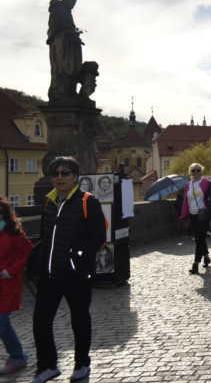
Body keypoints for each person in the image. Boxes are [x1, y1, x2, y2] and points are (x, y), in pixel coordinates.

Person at [32, 156, 106, 383]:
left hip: (76, 273)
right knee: (40, 321)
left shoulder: (87, 201)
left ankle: (82, 364)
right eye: (55, 173)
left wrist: (77, 257)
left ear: (75, 177)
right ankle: (47, 366)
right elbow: (46, 237)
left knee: (79, 320)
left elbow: (99, 237)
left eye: (65, 173)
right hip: (50, 272)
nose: (60, 177)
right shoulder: (49, 201)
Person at [0, 197, 33, 376]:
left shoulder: (13, 232)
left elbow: (27, 251)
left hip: (7, 284)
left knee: (2, 323)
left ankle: (17, 356)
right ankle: (17, 356)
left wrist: (10, 270)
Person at [179, 163, 211, 274]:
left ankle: (195, 264)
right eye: (193, 170)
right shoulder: (188, 185)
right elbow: (185, 201)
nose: (196, 172)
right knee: (200, 238)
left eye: (198, 170)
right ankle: (206, 256)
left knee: (199, 239)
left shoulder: (207, 182)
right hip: (192, 215)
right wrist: (184, 216)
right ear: (190, 172)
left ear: (201, 171)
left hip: (203, 214)